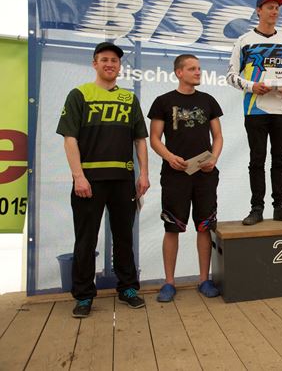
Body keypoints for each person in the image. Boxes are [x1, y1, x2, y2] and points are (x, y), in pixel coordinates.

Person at [56, 42, 150, 318]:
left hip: (123, 180)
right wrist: (78, 177)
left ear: (120, 67)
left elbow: (140, 140)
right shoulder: (79, 95)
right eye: (104, 59)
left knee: (124, 238)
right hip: (89, 181)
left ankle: (128, 288)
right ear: (95, 64)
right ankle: (84, 295)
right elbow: (69, 139)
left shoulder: (129, 99)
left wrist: (144, 174)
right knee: (86, 240)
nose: (110, 64)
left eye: (115, 61)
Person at [148, 54, 223, 301]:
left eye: (199, 68)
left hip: (205, 175)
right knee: (172, 228)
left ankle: (204, 280)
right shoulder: (163, 101)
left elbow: (218, 137)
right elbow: (155, 139)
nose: (198, 72)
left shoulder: (208, 100)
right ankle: (169, 283)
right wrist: (170, 157)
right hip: (175, 175)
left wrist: (213, 159)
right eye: (192, 69)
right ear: (179, 72)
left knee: (204, 227)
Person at [226, 0, 282, 225]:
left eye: (277, 8)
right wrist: (252, 86)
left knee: (280, 159)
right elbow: (231, 76)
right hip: (255, 109)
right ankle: (256, 208)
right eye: (270, 7)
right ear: (258, 10)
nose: (275, 11)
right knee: (257, 159)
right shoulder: (244, 41)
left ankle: (280, 206)